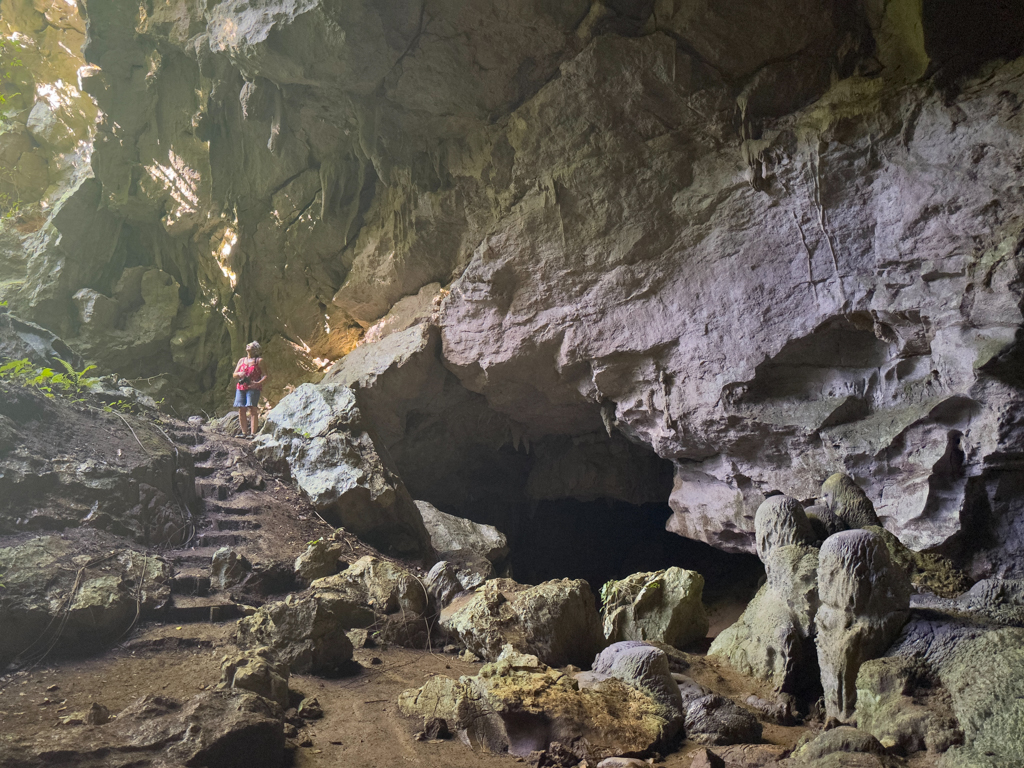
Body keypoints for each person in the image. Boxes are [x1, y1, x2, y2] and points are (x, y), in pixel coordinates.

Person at [233, 341, 266, 437]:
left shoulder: (259, 361)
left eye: (250, 345)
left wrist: (258, 383)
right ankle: (244, 432)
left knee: (252, 409)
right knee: (241, 409)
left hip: (253, 387)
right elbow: (234, 374)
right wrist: (239, 374)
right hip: (241, 387)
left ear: (255, 349)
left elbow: (266, 375)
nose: (247, 345)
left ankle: (252, 433)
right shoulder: (241, 360)